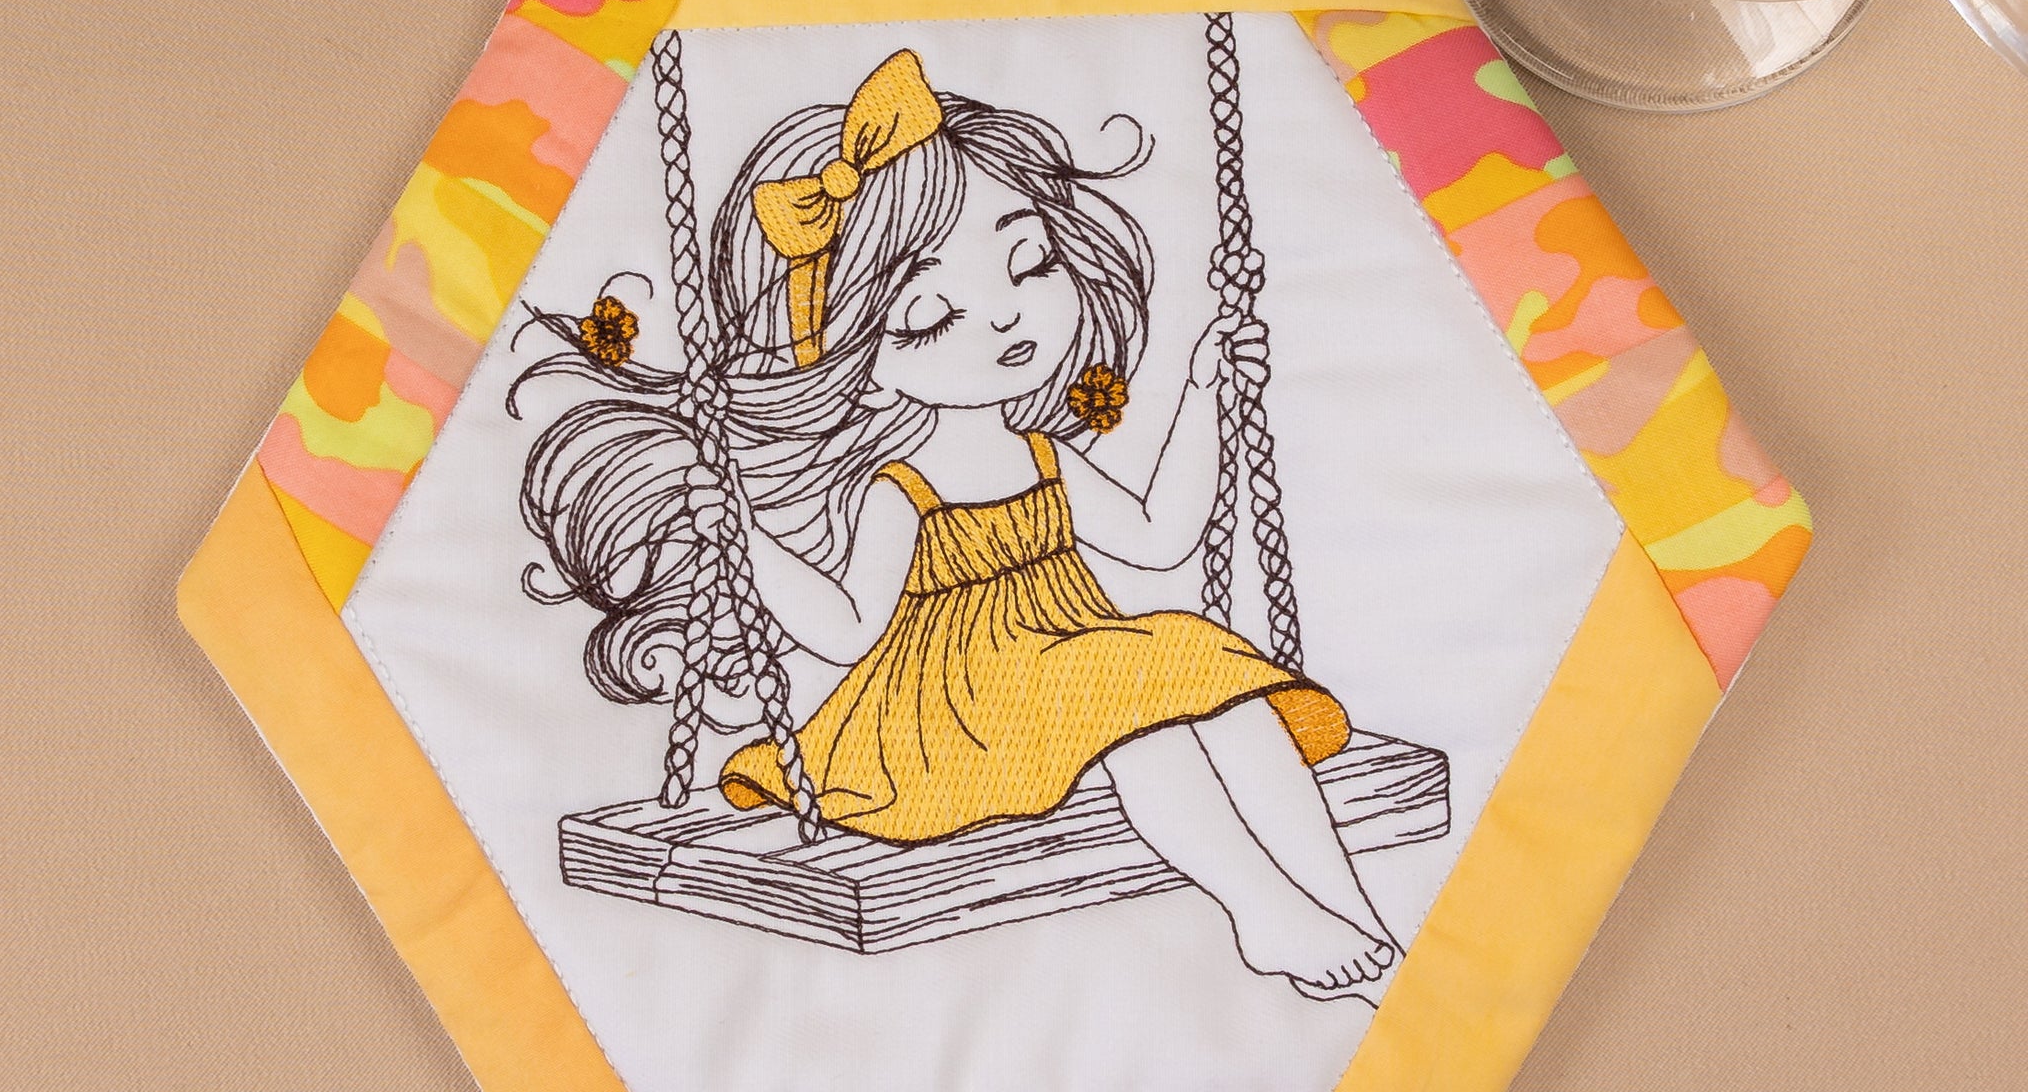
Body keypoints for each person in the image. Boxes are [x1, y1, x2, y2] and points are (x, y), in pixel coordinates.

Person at [513, 49, 1397, 1000]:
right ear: (858, 360)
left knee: (1226, 695)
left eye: (1030, 264)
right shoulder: (903, 489)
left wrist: (1203, 390)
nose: (1006, 322)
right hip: (947, 712)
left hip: (1072, 665)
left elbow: (1157, 535)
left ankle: (1350, 910)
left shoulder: (1042, 453)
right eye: (932, 316)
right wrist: (742, 536)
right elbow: (847, 627)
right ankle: (1264, 912)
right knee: (1145, 718)